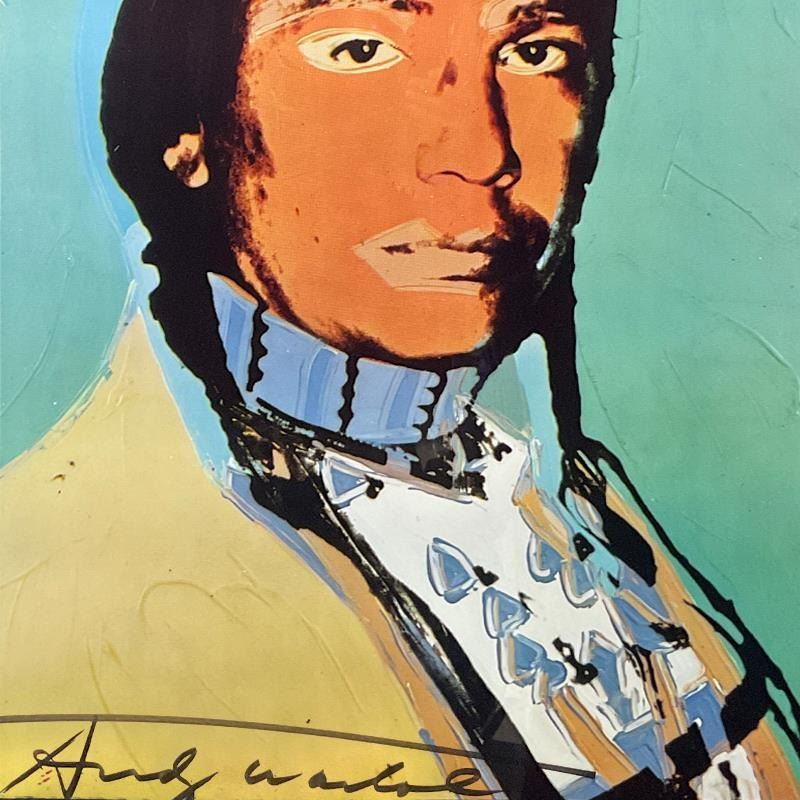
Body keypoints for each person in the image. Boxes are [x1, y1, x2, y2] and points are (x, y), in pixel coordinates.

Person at [0, 1, 797, 798]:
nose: (481, 152)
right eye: (359, 50)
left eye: (534, 52)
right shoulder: (58, 594)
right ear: (187, 131)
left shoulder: (571, 497)